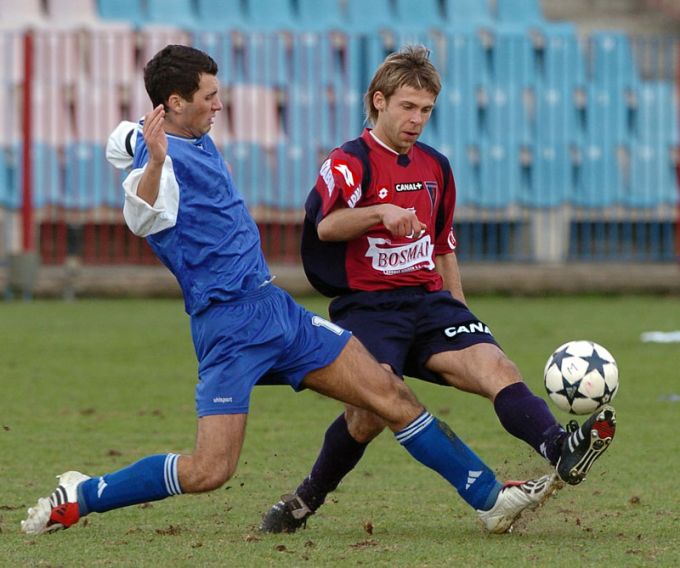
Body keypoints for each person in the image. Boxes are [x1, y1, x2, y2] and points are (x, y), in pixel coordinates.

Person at [21, 45, 558, 538]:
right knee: (211, 470)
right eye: (210, 97)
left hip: (275, 310)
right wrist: (154, 158)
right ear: (177, 103)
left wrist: (136, 134)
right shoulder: (160, 168)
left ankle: (490, 498)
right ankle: (84, 493)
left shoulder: (171, 131)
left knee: (388, 394)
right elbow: (141, 214)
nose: (220, 105)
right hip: (227, 327)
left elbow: (123, 138)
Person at [259, 45, 617, 533]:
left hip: (430, 303)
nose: (417, 120)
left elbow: (444, 245)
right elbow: (326, 225)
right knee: (366, 417)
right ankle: (305, 500)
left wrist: (463, 314)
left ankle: (560, 447)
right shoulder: (348, 162)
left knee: (496, 365)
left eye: (426, 110)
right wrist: (379, 212)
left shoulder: (436, 166)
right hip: (367, 308)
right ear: (379, 100)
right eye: (408, 107)